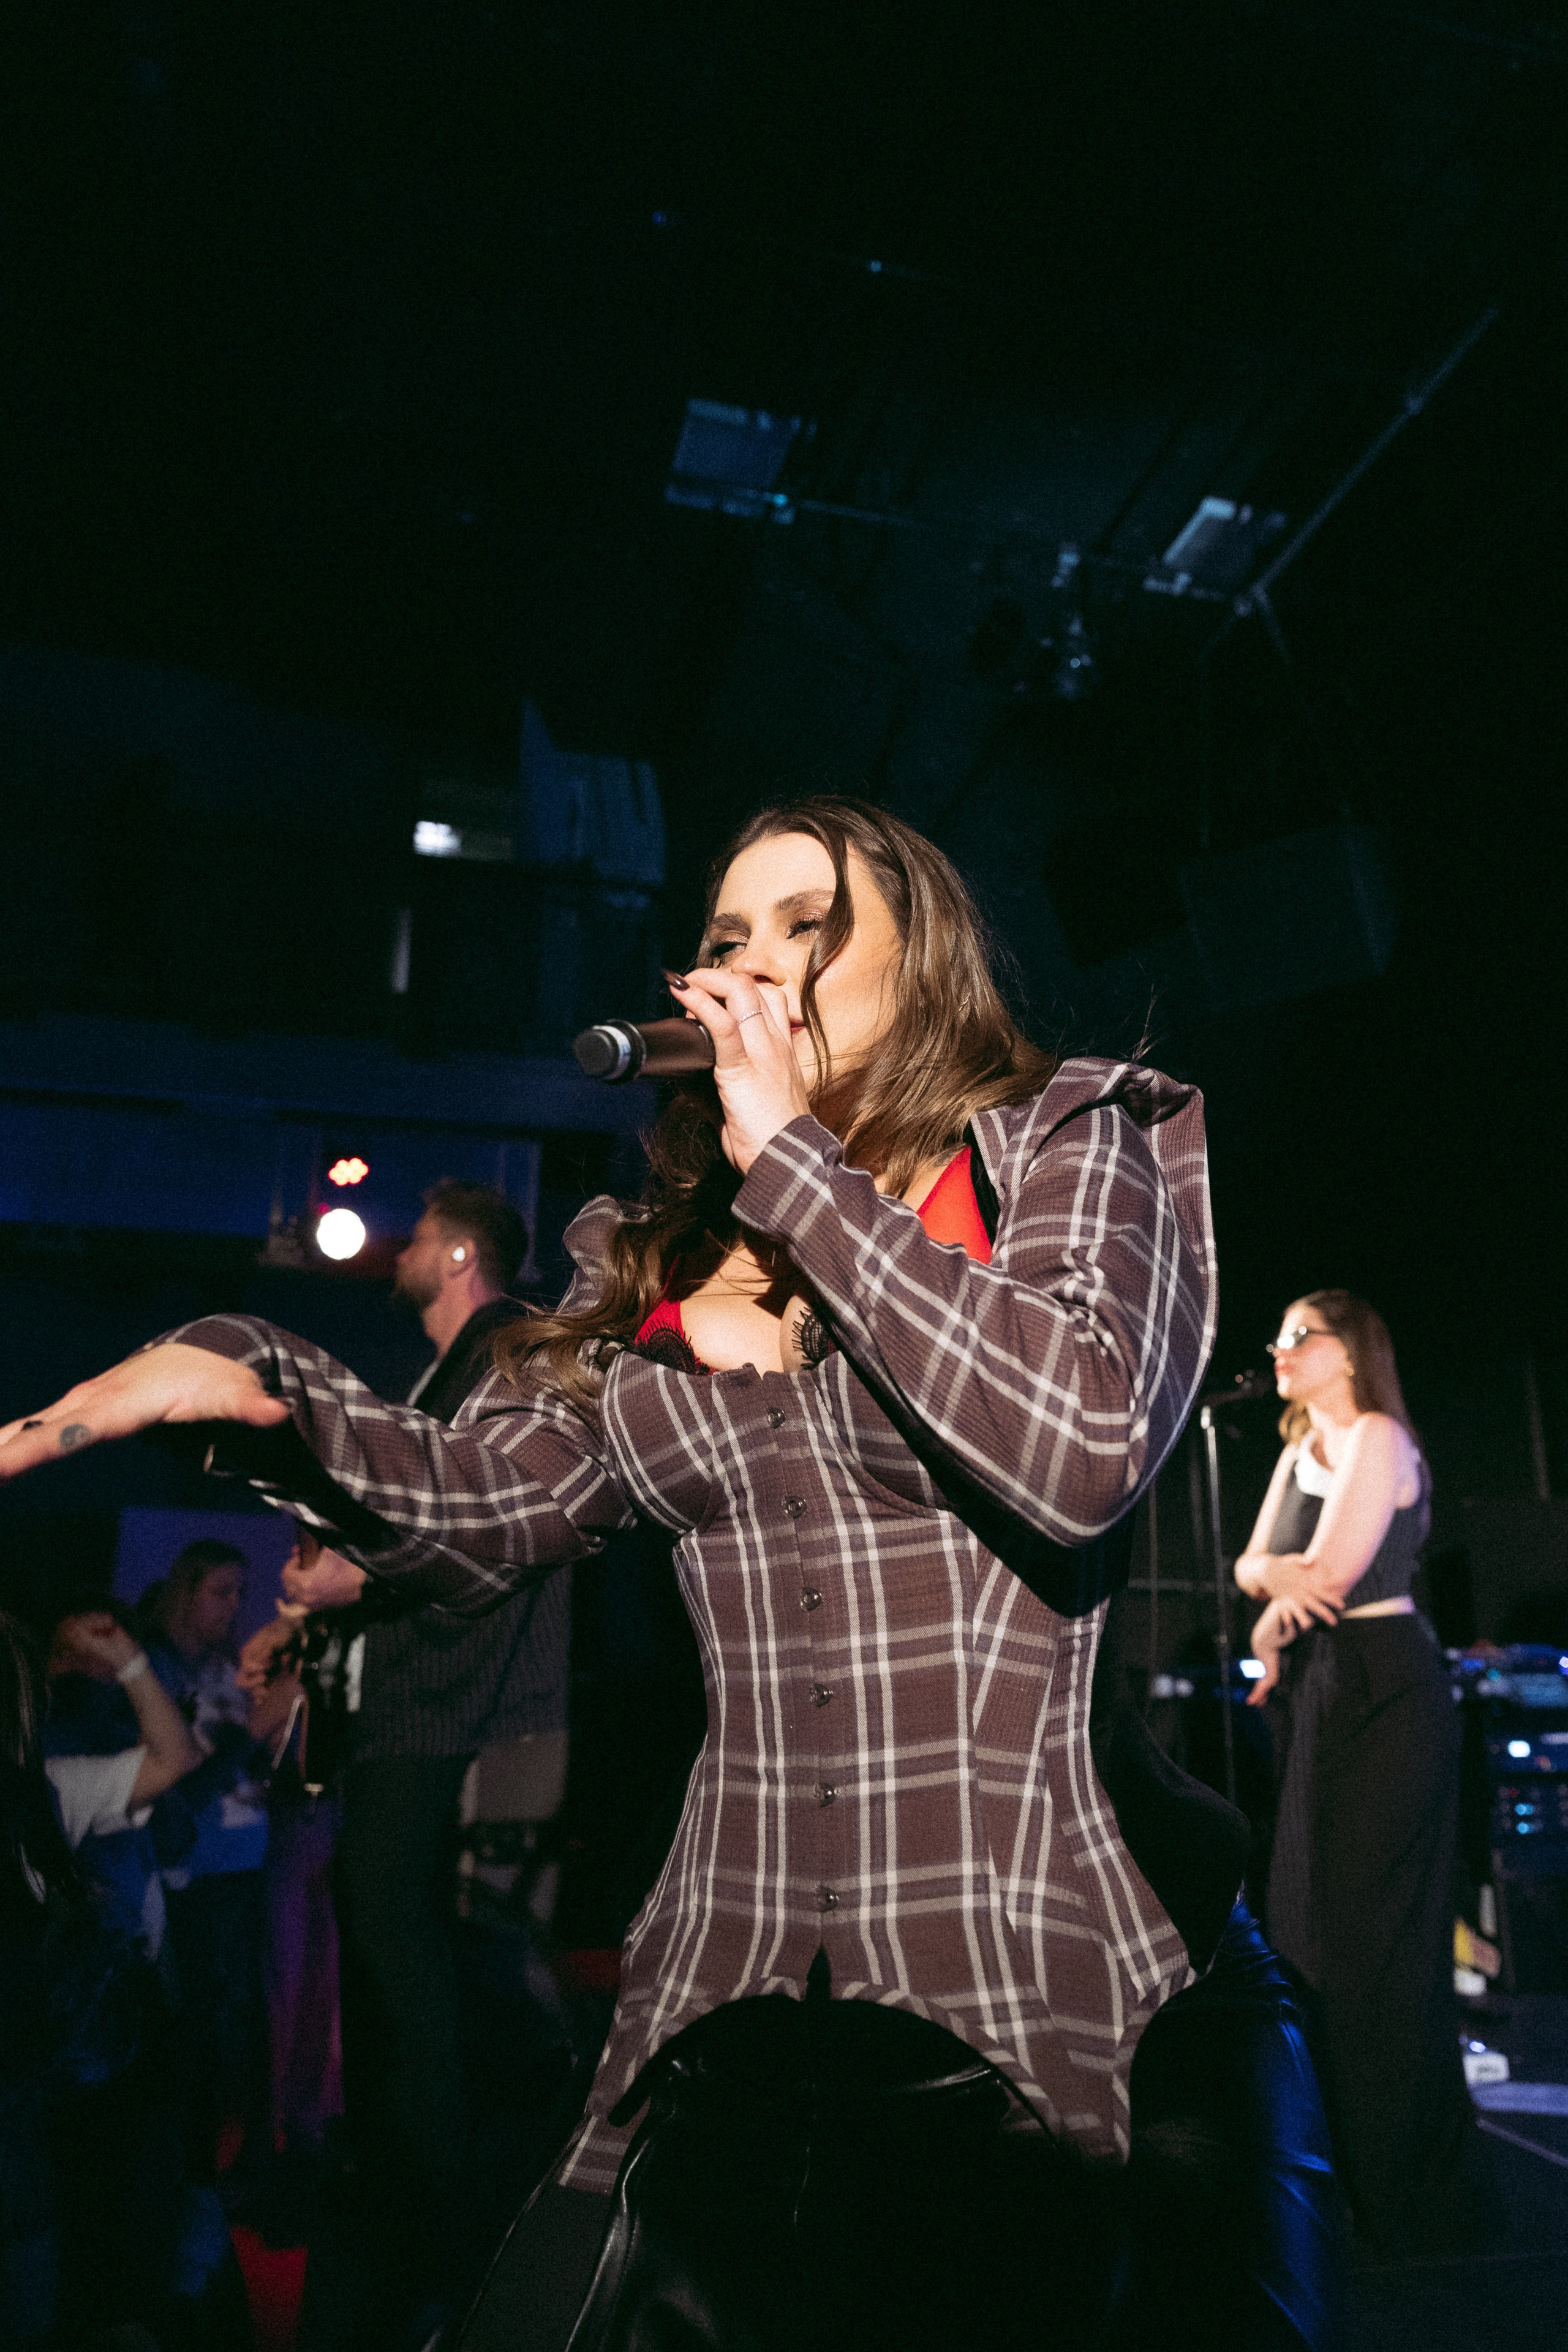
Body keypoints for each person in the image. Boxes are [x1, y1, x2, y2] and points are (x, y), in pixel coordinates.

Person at [0, 799, 1336, 2351]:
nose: (749, 965)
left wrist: (798, 1170)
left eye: (804, 925)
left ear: (924, 964)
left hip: (1080, 1978)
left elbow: (1081, 1441)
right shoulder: (650, 1252)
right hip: (735, 1985)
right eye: (722, 938)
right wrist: (258, 1387)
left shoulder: (1069, 1137)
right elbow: (482, 1507)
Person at [237, 1181, 572, 2345]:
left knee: (408, 1939)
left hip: (451, 1693)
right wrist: (308, 1615)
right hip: (404, 1691)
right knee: (387, 1938)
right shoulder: (441, 1371)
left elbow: (488, 1511)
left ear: (463, 1252)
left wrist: (349, 1579)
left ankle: (425, 2201)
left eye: (421, 1236)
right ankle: (401, 2178)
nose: (404, 1253)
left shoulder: (505, 1350)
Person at [1236, 1290, 1497, 2256]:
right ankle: (1340, 2165)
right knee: (1309, 1919)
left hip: (1386, 1687)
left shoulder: (1378, 1434)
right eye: (1280, 1337)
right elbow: (1250, 1563)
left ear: (1350, 1352)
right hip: (1323, 1688)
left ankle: (1404, 2178)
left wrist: (1270, 1610)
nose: (1281, 1350)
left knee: (1377, 1927)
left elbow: (1329, 1576)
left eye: (1301, 1335)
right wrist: (1266, 1595)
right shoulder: (1299, 1447)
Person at [135, 1540, 274, 2182]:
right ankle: (186, 2174)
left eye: (240, 1592)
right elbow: (180, 1789)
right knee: (197, 2025)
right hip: (195, 1874)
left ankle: (221, 2169)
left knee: (240, 2018)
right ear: (185, 1590)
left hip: (246, 1865)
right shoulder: (155, 1675)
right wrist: (253, 1736)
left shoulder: (225, 1671)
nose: (234, 1605)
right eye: (221, 1591)